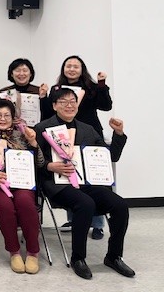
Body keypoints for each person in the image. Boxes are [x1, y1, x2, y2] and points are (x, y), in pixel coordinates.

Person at [35, 88, 134, 280]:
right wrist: (49, 166)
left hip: (87, 182)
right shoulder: (42, 128)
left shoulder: (88, 129)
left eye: (73, 101)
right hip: (57, 183)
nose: (69, 105)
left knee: (120, 205)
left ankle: (114, 256)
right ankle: (78, 258)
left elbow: (109, 156)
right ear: (54, 106)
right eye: (63, 102)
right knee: (85, 203)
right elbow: (34, 161)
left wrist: (118, 133)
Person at [0, 99, 45, 274]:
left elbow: (40, 163)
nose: (3, 119)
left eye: (7, 115)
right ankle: (14, 252)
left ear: (13, 118)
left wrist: (34, 143)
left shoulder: (23, 135)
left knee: (26, 204)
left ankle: (33, 252)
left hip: (21, 182)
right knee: (4, 205)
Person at [49, 55, 113, 239]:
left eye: (75, 66)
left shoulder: (92, 87)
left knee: (94, 179)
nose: (71, 69)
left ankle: (98, 224)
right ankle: (74, 218)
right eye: (68, 66)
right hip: (65, 136)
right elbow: (49, 111)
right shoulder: (57, 89)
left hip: (89, 136)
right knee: (71, 176)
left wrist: (102, 84)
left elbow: (106, 106)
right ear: (63, 69)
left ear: (82, 69)